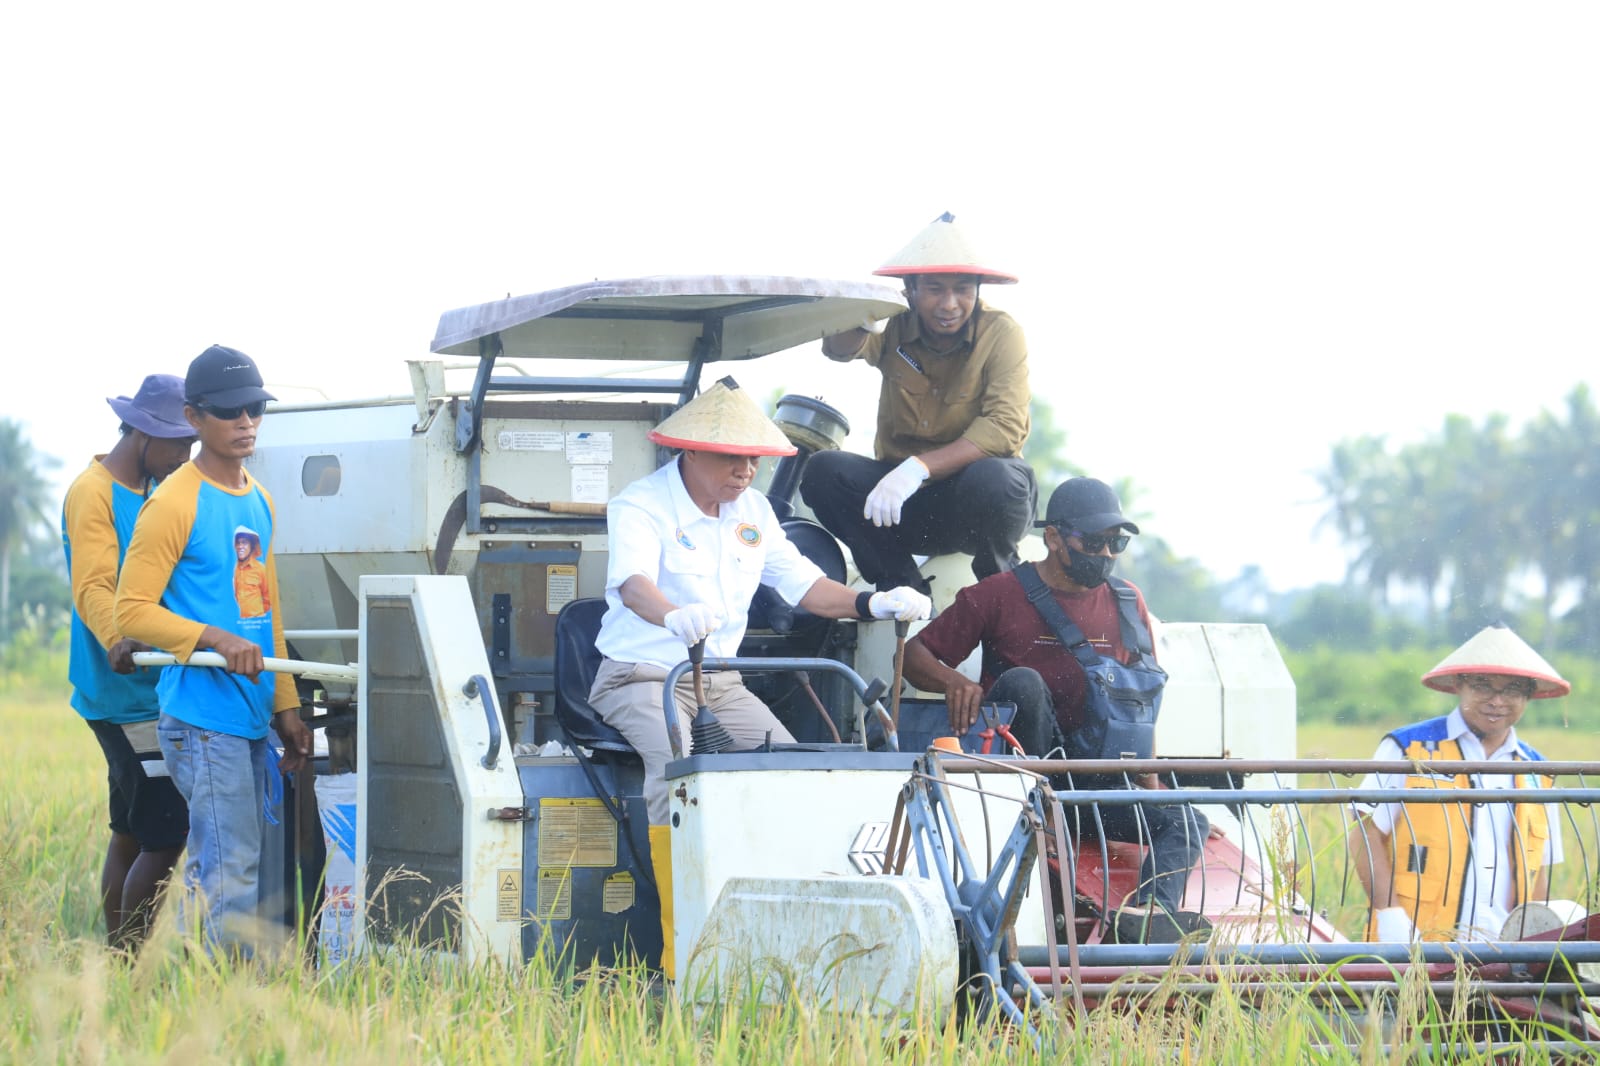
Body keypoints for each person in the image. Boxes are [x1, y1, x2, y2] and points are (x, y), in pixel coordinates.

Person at [901, 477, 1210, 944]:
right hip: (1019, 790)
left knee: (1188, 819)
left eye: (1116, 543)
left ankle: (1150, 915)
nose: (1106, 553)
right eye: (1093, 541)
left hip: (1093, 785)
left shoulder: (1128, 604)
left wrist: (1151, 786)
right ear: (1052, 538)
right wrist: (954, 681)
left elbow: (1140, 702)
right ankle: (1040, 813)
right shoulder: (999, 594)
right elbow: (913, 654)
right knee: (1025, 683)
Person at [113, 344, 313, 955]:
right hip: (201, 719)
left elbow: (265, 613)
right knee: (229, 870)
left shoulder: (260, 499)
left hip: (250, 716)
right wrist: (212, 638)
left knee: (227, 868)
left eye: (254, 408)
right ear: (194, 418)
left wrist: (287, 709)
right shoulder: (174, 500)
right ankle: (214, 1006)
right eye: (229, 412)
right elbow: (131, 611)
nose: (245, 422)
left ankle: (187, 990)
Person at [799, 212, 1036, 593]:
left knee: (997, 478)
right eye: (934, 289)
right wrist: (865, 316)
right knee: (824, 471)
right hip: (902, 505)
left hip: (975, 504)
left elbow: (1004, 427)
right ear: (909, 288)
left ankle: (1002, 593)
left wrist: (918, 469)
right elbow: (838, 350)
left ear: (978, 289)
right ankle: (902, 587)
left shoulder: (1002, 332)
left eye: (962, 289)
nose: (950, 304)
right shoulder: (893, 320)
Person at [61, 374, 198, 950]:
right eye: (178, 445)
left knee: (130, 830)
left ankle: (115, 968)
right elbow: (94, 584)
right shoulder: (92, 492)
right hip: (125, 692)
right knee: (167, 833)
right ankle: (128, 967)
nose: (184, 458)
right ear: (142, 433)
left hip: (151, 685)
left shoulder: (148, 491)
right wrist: (121, 638)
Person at [1347, 624, 1567, 943]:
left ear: (1529, 694)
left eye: (1512, 689)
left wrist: (1533, 943)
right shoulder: (1409, 748)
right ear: (1458, 685)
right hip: (1416, 942)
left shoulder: (1538, 771)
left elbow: (1539, 870)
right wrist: (1391, 917)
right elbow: (1365, 833)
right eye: (1483, 686)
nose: (1497, 701)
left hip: (1506, 953)